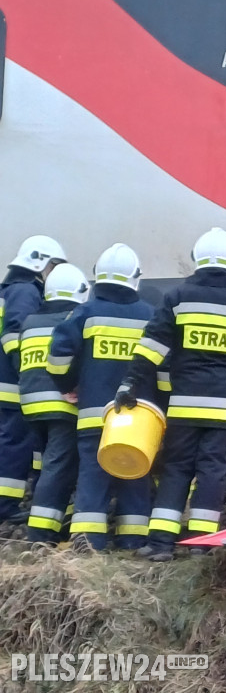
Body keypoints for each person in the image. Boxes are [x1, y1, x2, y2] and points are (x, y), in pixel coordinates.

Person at [117, 228, 226, 562]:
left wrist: (130, 384)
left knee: (176, 469)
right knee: (213, 472)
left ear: (196, 259)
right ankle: (200, 544)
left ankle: (160, 544)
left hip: (184, 406)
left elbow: (152, 346)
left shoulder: (177, 297)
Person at [47, 244, 158, 551]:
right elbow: (163, 366)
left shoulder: (84, 313)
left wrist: (68, 384)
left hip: (94, 413)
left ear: (97, 278)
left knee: (92, 476)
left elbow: (58, 357)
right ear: (135, 278)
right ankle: (133, 540)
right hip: (138, 417)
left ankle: (87, 541)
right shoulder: (150, 316)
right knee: (136, 474)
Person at [0, 236, 66, 523]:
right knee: (14, 443)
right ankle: (5, 507)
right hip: (11, 385)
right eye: (54, 265)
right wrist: (24, 369)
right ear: (41, 263)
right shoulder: (26, 291)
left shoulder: (9, 290)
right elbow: (15, 333)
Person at [23, 264, 91, 543]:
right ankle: (40, 533)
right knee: (58, 466)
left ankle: (58, 518)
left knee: (45, 465)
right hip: (62, 404)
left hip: (30, 406)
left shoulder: (29, 322)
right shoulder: (73, 318)